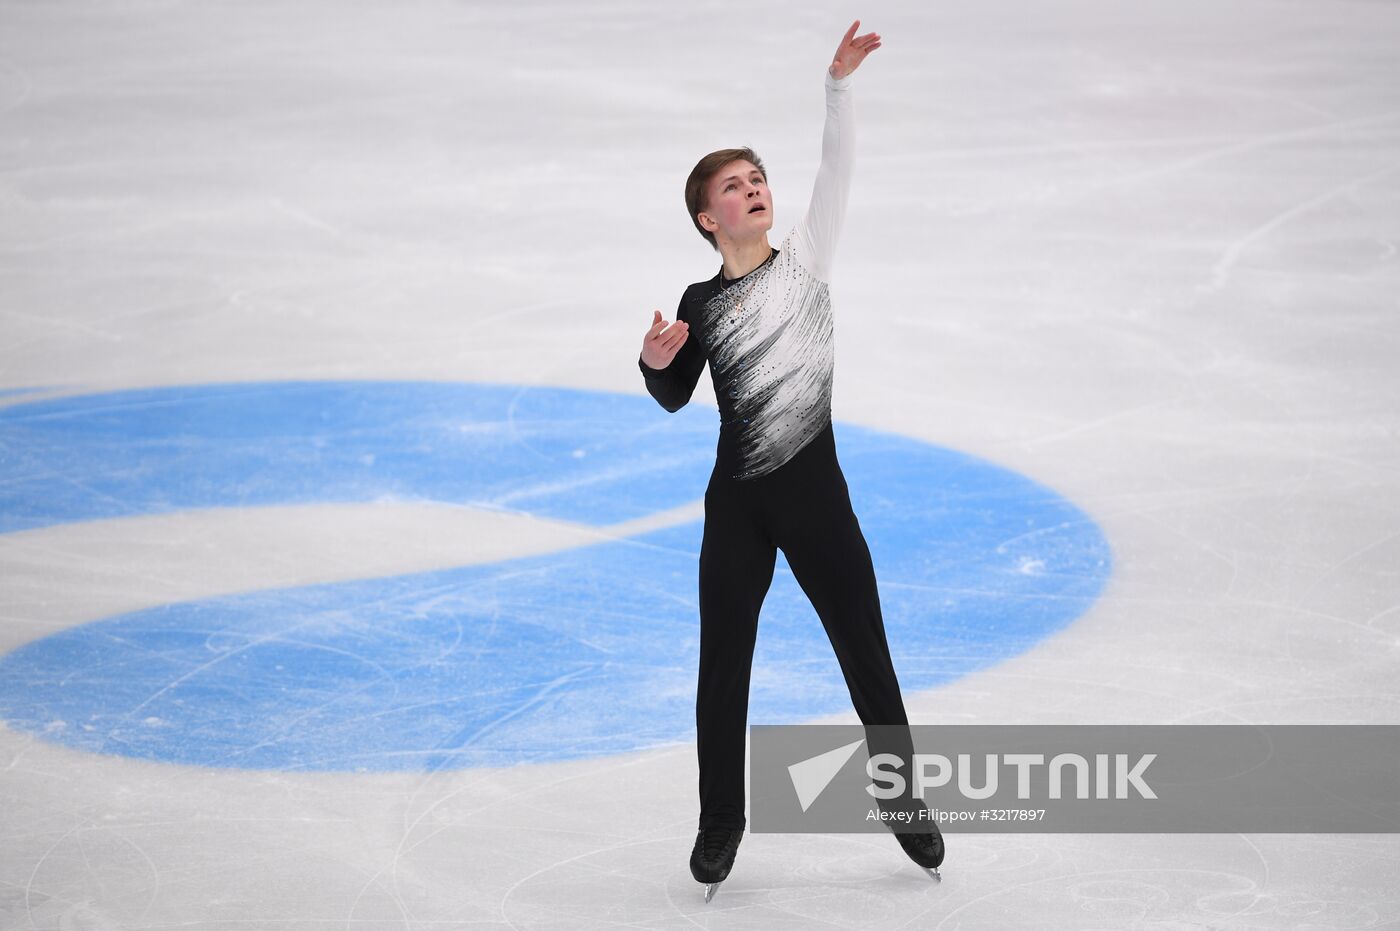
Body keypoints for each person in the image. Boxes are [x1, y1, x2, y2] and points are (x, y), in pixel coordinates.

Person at [637, 20, 944, 900]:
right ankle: (720, 821)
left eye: (758, 177)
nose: (756, 189)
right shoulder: (700, 299)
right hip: (737, 506)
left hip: (817, 499)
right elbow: (672, 393)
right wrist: (658, 363)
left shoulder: (807, 261)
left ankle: (903, 799)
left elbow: (834, 171)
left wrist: (838, 89)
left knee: (865, 654)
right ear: (709, 217)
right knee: (722, 663)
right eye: (735, 186)